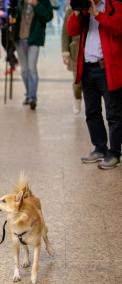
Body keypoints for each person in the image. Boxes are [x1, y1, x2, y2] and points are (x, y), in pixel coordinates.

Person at [67, 0, 122, 170]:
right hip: (88, 68)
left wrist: (97, 15)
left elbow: (118, 27)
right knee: (91, 112)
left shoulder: (114, 5)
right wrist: (76, 12)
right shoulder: (83, 9)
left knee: (113, 113)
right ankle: (99, 148)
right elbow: (72, 30)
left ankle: (114, 153)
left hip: (107, 68)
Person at [14, 0, 53, 110]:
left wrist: (37, 5)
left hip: (34, 39)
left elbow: (48, 16)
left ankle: (32, 97)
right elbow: (13, 16)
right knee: (24, 71)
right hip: (19, 39)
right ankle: (29, 94)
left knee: (31, 69)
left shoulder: (42, 1)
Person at [61, 5, 82, 114]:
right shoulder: (71, 10)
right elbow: (65, 33)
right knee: (77, 81)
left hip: (90, 51)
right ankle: (77, 99)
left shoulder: (94, 8)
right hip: (75, 51)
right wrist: (65, 52)